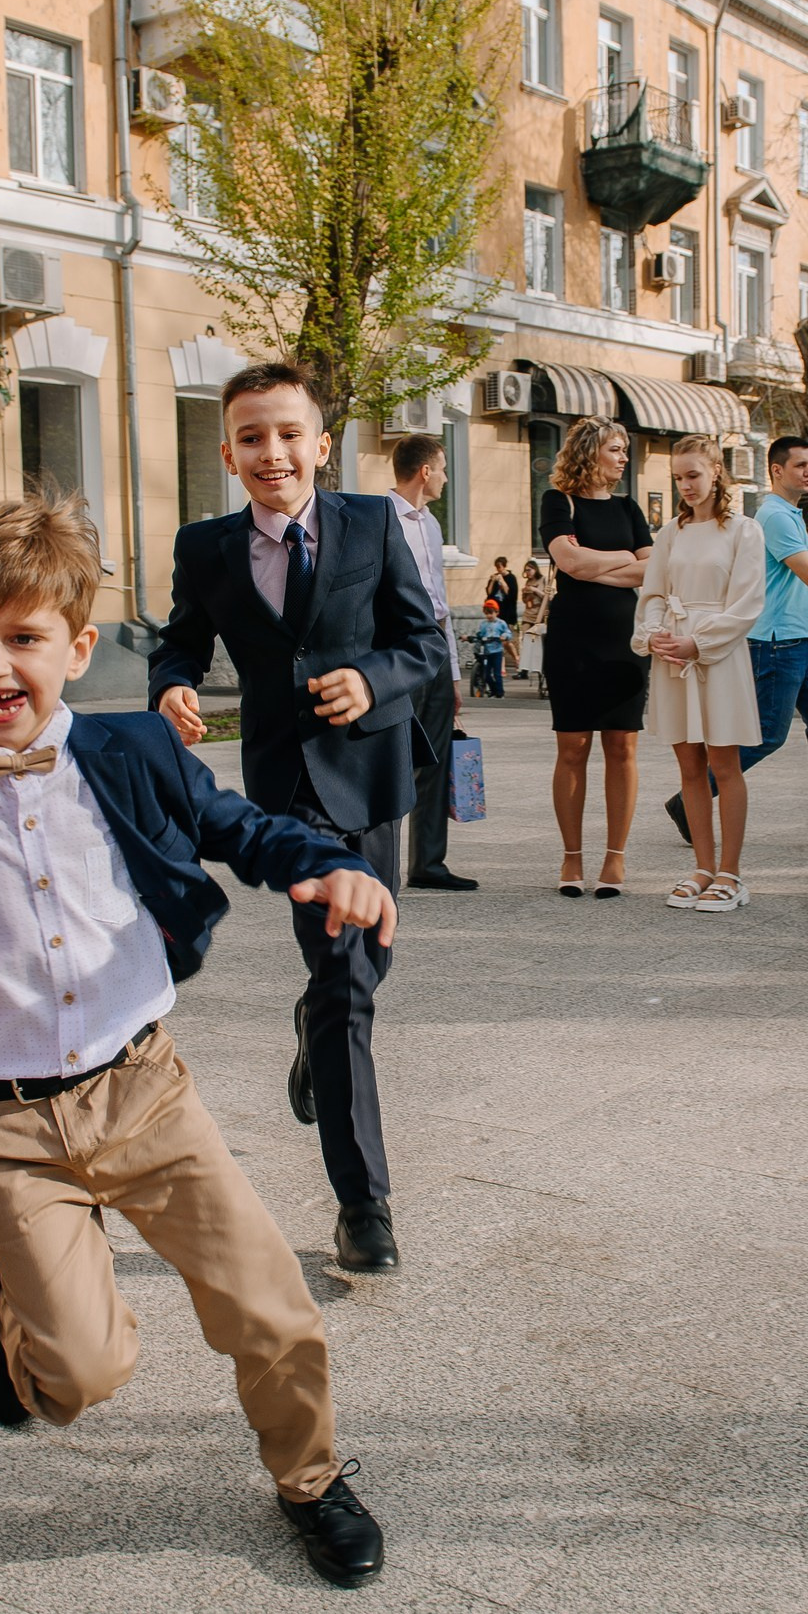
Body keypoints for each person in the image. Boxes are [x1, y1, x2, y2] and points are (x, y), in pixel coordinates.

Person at [0, 498, 393, 1588]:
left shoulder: (134, 750)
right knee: (83, 1375)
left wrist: (320, 861)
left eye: (22, 638)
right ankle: (24, 1316)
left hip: (144, 1095)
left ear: (79, 647)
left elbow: (234, 826)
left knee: (271, 1310)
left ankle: (313, 1479)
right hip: (2, 1127)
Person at [149, 361, 444, 1272]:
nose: (271, 451)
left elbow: (423, 642)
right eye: (250, 436)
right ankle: (364, 1205)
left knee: (370, 956)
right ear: (230, 451)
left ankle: (312, 1033)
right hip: (288, 795)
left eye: (288, 434)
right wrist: (172, 686)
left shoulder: (375, 523)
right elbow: (181, 638)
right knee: (348, 977)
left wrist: (375, 677)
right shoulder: (204, 547)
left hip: (372, 774)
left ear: (322, 444)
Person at [662, 434, 808, 849]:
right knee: (769, 733)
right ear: (776, 471)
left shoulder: (792, 515)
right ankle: (687, 801)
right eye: (800, 465)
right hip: (775, 641)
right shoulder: (775, 517)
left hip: (798, 639)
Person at [633, 437, 767, 909]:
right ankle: (702, 868)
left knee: (723, 765)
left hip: (718, 655)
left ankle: (731, 873)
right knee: (689, 766)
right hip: (673, 656)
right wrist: (654, 636)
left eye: (693, 474)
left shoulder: (744, 530)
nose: (686, 485)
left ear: (715, 472)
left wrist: (700, 642)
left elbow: (749, 602)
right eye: (678, 477)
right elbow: (651, 592)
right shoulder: (670, 532)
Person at [538, 416, 652, 898]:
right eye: (616, 448)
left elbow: (653, 570)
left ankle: (615, 858)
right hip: (572, 641)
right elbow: (567, 561)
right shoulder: (557, 501)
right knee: (573, 747)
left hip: (625, 642)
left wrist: (594, 566)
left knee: (622, 746)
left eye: (624, 449)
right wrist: (623, 560)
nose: (623, 457)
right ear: (590, 451)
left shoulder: (629, 509)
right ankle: (571, 858)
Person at [387, 432, 475, 893]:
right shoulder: (379, 518)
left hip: (436, 651)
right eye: (441, 468)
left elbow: (442, 604)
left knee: (436, 757)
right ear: (425, 470)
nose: (443, 477)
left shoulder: (433, 525)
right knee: (391, 757)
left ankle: (428, 864)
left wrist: (455, 672)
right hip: (398, 651)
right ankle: (379, 863)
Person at [468, 598, 511, 697]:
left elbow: (507, 633)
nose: (489, 615)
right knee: (486, 674)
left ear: (497, 612)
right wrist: (471, 637)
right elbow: (480, 634)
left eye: (491, 613)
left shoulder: (501, 623)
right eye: (487, 613)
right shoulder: (484, 624)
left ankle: (500, 693)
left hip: (497, 651)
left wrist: (504, 636)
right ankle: (493, 690)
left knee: (497, 674)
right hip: (487, 651)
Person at [485, 555, 520, 670]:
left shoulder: (511, 578)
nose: (498, 570)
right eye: (497, 567)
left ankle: (516, 657)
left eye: (500, 567)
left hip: (507, 613)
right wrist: (492, 581)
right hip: (496, 612)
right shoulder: (494, 578)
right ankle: (501, 668)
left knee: (506, 641)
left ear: (504, 566)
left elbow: (510, 594)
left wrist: (502, 581)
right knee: (498, 641)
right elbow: (489, 593)